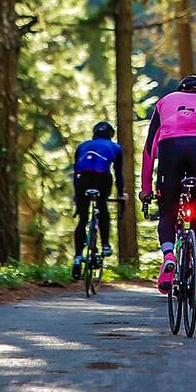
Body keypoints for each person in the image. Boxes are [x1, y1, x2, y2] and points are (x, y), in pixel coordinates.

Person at [139, 74, 196, 301]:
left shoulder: (164, 101)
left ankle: (168, 256)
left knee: (167, 212)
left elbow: (149, 150)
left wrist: (146, 189)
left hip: (170, 147)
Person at [71, 120, 125, 280]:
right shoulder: (115, 147)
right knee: (102, 207)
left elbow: (76, 170)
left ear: (94, 134)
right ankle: (106, 244)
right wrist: (121, 194)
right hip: (102, 178)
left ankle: (78, 256)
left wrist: (77, 195)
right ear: (111, 135)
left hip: (81, 179)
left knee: (83, 218)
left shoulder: (82, 146)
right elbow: (118, 174)